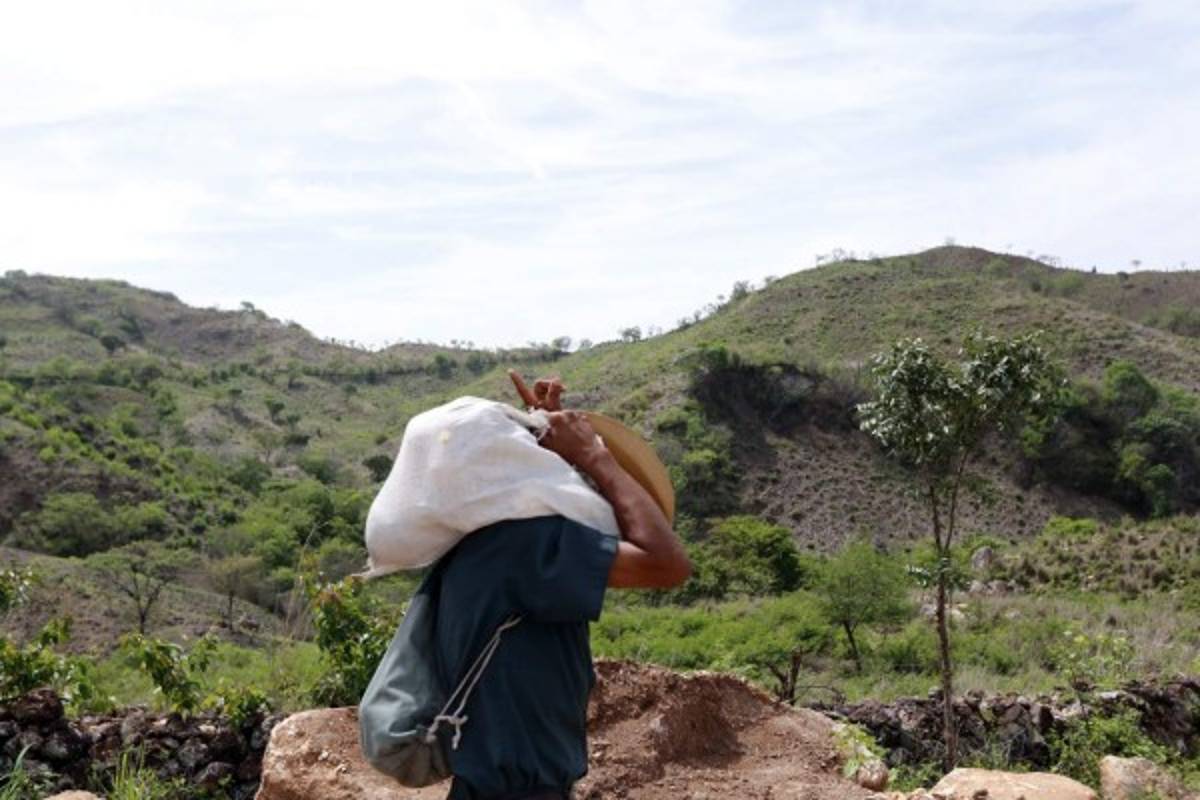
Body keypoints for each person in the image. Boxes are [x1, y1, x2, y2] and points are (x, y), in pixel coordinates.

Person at [432, 372, 692, 800]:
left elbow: (590, 518)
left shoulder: (482, 543)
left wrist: (553, 452)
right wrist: (593, 455)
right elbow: (667, 564)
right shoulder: (526, 545)